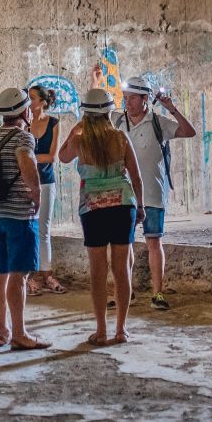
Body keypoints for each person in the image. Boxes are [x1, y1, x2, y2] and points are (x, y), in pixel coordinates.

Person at [58, 87, 145, 345]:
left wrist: (75, 128)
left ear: (85, 112)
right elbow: (136, 177)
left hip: (93, 209)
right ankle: (121, 330)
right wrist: (140, 206)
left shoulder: (80, 140)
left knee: (98, 272)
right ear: (109, 112)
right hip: (122, 206)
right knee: (122, 270)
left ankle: (101, 330)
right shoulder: (121, 138)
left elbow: (62, 157)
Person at [0, 87, 50, 350]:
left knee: (0, 273)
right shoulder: (23, 138)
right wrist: (36, 195)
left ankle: (2, 330)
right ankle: (20, 333)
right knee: (19, 275)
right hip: (18, 214)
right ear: (24, 111)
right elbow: (27, 164)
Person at [112, 76, 196, 310]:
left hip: (152, 193)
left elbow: (189, 132)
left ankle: (157, 293)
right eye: (125, 98)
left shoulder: (159, 123)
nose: (127, 103)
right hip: (123, 194)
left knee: (153, 241)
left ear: (145, 99)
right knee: (122, 245)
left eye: (132, 99)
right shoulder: (117, 120)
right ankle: (124, 292)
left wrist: (172, 109)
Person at [26, 85, 66, 296]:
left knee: (44, 230)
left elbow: (51, 157)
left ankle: (46, 275)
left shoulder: (54, 123)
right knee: (28, 229)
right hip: (26, 182)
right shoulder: (24, 125)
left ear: (42, 101)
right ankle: (30, 277)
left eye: (32, 98)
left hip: (46, 182)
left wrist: (30, 157)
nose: (29, 102)